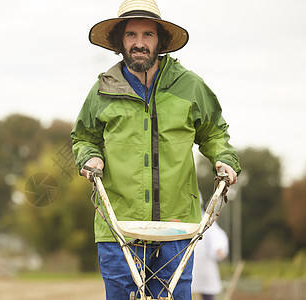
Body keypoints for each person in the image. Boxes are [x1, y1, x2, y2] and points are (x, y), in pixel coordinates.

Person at [70, 0, 241, 298]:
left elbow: (214, 132)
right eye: (131, 35)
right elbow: (84, 137)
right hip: (118, 226)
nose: (139, 43)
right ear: (120, 41)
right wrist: (90, 156)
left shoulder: (189, 86)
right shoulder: (102, 90)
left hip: (177, 227)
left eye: (147, 35)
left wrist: (224, 159)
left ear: (160, 40)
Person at [192, 201, 229, 300]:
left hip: (204, 265)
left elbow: (216, 236)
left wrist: (219, 248)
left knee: (207, 292)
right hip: (186, 265)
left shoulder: (205, 220)